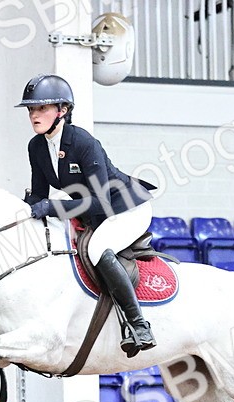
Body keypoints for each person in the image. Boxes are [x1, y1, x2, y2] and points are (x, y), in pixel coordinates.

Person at [18, 73, 158, 357]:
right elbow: (38, 195)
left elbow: (99, 201)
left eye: (41, 108)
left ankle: (138, 325)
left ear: (63, 111)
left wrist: (52, 208)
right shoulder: (36, 147)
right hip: (94, 213)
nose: (34, 115)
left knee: (97, 249)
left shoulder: (83, 142)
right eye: (31, 109)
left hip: (126, 208)